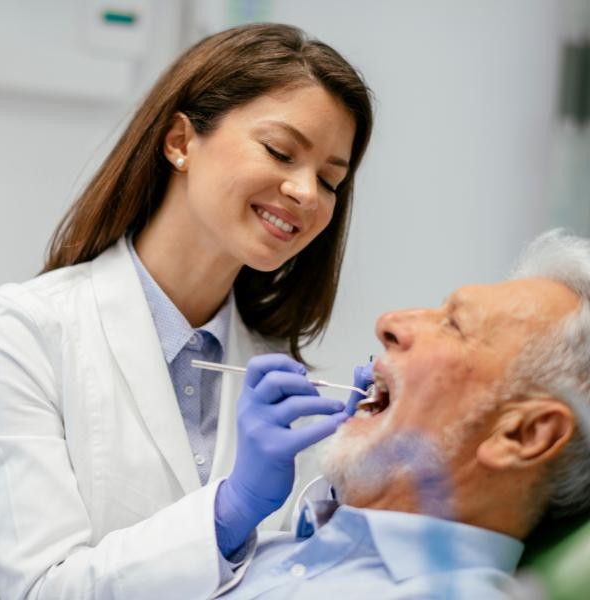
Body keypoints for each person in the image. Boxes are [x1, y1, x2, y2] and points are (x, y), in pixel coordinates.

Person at [0, 23, 374, 599]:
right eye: (280, 151)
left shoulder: (279, 378)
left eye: (329, 180)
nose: (306, 193)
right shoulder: (25, 330)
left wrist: (351, 485)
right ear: (180, 142)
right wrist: (227, 513)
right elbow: (41, 589)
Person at [215, 229, 590, 599]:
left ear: (524, 435)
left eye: (454, 325)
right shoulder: (263, 549)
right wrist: (225, 520)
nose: (388, 322)